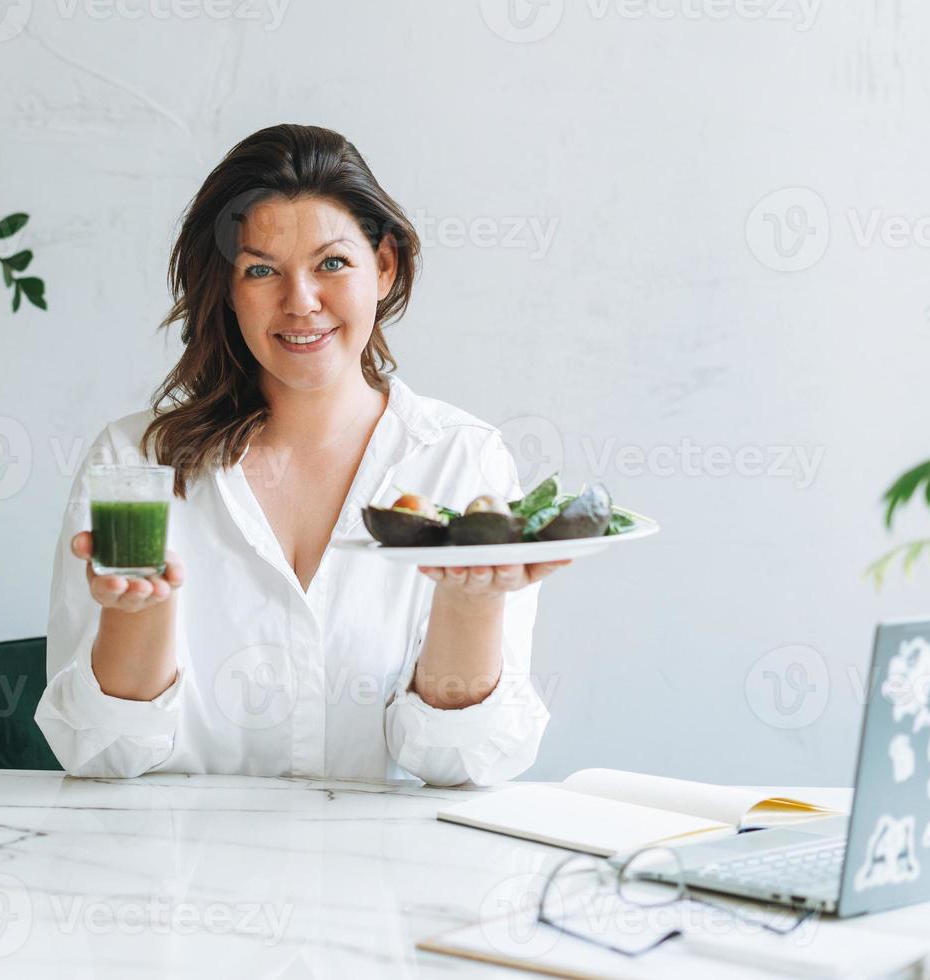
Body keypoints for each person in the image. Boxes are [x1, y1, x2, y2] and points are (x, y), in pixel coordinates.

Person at [35, 124, 570, 786]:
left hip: (389, 879)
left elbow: (461, 767)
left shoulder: (462, 461)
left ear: (385, 265)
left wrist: (471, 606)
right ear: (225, 288)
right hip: (176, 873)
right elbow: (100, 756)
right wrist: (136, 617)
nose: (301, 302)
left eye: (332, 264)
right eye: (261, 270)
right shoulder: (135, 462)